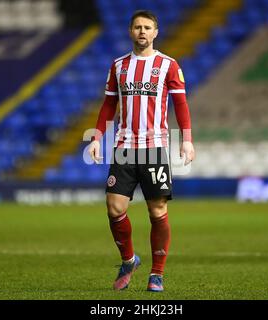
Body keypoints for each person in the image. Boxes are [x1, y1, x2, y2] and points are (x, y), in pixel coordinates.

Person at [88, 10, 195, 292]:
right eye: (138, 27)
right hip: (124, 147)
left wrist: (187, 139)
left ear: (156, 32)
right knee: (114, 208)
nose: (142, 32)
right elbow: (109, 105)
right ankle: (129, 259)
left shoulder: (168, 65)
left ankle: (156, 274)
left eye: (147, 27)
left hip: (155, 148)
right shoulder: (118, 66)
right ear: (130, 31)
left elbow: (181, 105)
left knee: (157, 210)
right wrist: (97, 137)